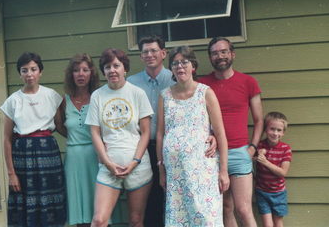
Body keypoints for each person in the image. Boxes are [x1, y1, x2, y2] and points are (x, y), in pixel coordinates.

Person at [127, 35, 217, 226]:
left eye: (153, 50)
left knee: (186, 204)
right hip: (142, 150)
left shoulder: (176, 74)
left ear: (163, 53)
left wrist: (212, 134)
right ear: (141, 56)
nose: (149, 55)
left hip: (181, 157)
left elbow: (200, 114)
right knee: (152, 205)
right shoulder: (132, 83)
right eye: (145, 51)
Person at [156, 46, 229, 226]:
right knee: (179, 219)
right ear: (171, 68)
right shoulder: (164, 96)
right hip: (175, 172)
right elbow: (160, 134)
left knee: (205, 216)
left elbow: (220, 134)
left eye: (184, 62)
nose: (180, 67)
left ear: (193, 66)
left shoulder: (205, 93)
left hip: (202, 170)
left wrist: (223, 171)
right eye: (175, 63)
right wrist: (161, 170)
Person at [199, 36, 264, 227]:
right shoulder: (202, 85)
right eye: (214, 53)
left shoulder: (248, 82)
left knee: (244, 209)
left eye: (223, 51)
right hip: (213, 155)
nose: (219, 56)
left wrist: (252, 147)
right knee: (225, 207)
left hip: (239, 153)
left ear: (232, 54)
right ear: (210, 58)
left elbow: (259, 120)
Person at [85, 48, 153, 227]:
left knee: (136, 220)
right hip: (108, 168)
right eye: (107, 67)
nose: (112, 70)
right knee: (99, 220)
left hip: (138, 166)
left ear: (125, 68)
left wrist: (135, 161)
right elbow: (95, 132)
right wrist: (107, 163)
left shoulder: (137, 93)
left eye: (116, 65)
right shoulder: (97, 96)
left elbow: (146, 132)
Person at [1, 52, 66, 227]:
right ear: (19, 74)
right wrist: (11, 173)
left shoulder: (52, 95)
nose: (29, 74)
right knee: (25, 202)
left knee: (49, 202)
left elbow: (60, 127)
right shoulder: (13, 101)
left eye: (33, 69)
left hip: (48, 154)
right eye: (24, 70)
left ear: (40, 72)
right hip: (23, 157)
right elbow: (7, 139)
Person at [54, 53, 100, 226]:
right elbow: (59, 126)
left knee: (99, 209)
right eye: (76, 70)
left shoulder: (99, 97)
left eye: (85, 70)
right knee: (79, 211)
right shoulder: (64, 101)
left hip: (96, 157)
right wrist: (75, 138)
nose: (80, 74)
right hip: (74, 159)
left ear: (91, 73)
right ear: (71, 75)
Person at [255, 112, 292, 227]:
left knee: (278, 222)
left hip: (278, 193)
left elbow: (283, 172)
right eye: (272, 129)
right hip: (262, 191)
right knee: (267, 224)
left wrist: (266, 162)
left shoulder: (286, 149)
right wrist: (257, 155)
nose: (275, 133)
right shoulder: (260, 145)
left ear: (283, 132)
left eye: (279, 130)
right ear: (266, 129)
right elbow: (249, 158)